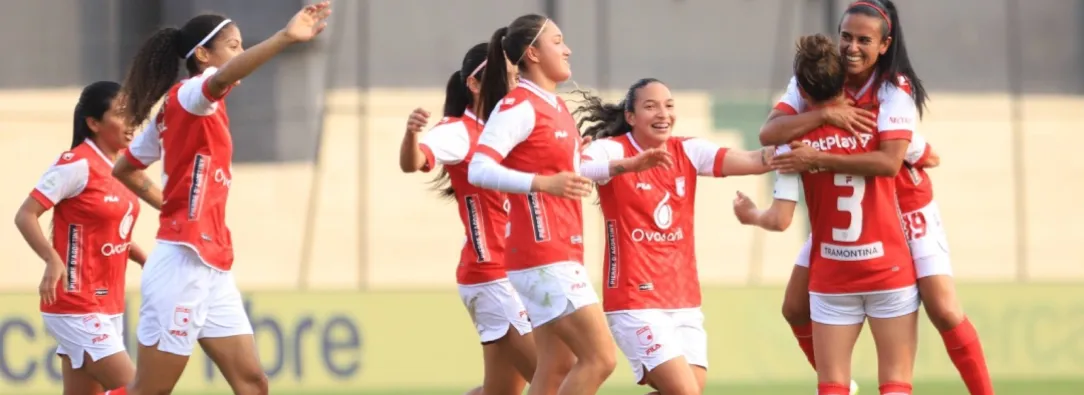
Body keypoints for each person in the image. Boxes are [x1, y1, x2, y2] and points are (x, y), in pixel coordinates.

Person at [759, 1, 993, 394]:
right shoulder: (816, 79)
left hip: (903, 205)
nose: (851, 47)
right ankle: (841, 384)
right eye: (846, 36)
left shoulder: (893, 87)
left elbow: (889, 161)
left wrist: (818, 157)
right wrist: (825, 116)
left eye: (863, 40)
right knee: (794, 308)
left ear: (884, 45)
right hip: (850, 211)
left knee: (944, 309)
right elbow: (770, 131)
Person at [109, 4, 331, 395]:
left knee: (253, 382)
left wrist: (173, 205)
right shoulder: (195, 93)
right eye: (233, 45)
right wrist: (284, 37)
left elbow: (125, 168)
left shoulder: (181, 107)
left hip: (210, 263)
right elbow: (224, 76)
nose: (239, 53)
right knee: (151, 390)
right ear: (203, 55)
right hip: (181, 263)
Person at [465, 13, 654, 395]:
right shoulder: (518, 105)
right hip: (542, 256)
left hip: (553, 255)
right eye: (558, 41)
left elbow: (573, 168)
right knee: (600, 358)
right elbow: (479, 168)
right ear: (532, 53)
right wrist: (542, 183)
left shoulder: (553, 105)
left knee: (557, 367)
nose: (567, 49)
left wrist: (623, 165)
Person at [733, 34, 918, 395]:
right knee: (896, 383)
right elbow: (913, 155)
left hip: (834, 271)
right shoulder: (878, 122)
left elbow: (781, 219)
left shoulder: (793, 143)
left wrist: (751, 214)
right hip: (888, 267)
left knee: (833, 387)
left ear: (800, 89)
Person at [574, 78, 773, 394]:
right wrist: (629, 166)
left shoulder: (688, 150)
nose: (662, 113)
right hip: (635, 302)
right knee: (685, 392)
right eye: (650, 106)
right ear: (630, 117)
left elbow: (751, 160)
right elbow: (577, 168)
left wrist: (793, 151)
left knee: (688, 389)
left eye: (668, 105)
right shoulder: (613, 149)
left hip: (684, 303)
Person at [398, 42, 537, 395]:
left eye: (516, 76)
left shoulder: (509, 130)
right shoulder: (460, 131)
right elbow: (414, 162)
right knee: (557, 380)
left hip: (517, 274)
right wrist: (412, 134)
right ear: (474, 85)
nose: (513, 84)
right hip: (490, 276)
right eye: (503, 77)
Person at [13, 81, 146, 395]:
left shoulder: (122, 169)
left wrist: (147, 260)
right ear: (94, 123)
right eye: (121, 114)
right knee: (139, 389)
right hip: (76, 304)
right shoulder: (77, 164)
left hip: (108, 305)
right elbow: (25, 215)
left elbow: (111, 232)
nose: (131, 122)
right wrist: (51, 259)